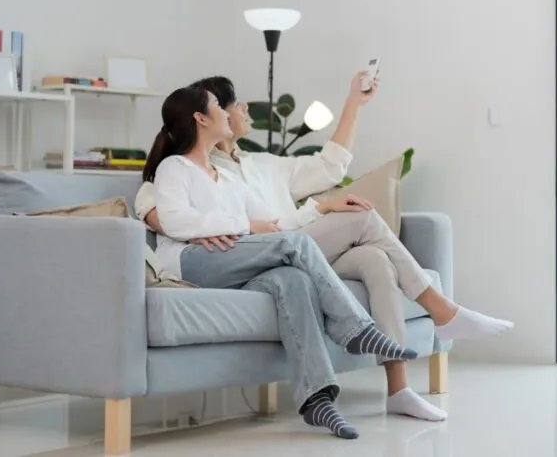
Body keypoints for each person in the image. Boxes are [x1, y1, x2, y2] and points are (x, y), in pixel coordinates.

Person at [137, 73, 514, 423]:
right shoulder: (183, 168)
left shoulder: (260, 166)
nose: (244, 110)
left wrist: (353, 107)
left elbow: (326, 172)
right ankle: (439, 312)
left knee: (375, 259)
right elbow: (163, 214)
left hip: (294, 241)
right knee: (361, 225)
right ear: (206, 118)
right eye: (232, 104)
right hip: (259, 252)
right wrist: (208, 229)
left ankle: (399, 389)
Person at [143, 84, 421, 440]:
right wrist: (242, 226)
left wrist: (319, 209)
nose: (228, 113)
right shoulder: (174, 168)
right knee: (296, 247)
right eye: (217, 105)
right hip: (189, 263)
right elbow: (175, 222)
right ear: (200, 118)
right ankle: (357, 330)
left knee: (293, 279)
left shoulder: (226, 177)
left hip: (233, 260)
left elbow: (274, 225)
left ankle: (317, 399)